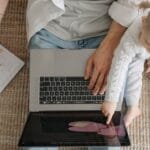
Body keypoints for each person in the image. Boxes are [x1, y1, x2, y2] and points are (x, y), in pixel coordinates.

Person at [0, 0, 149, 150]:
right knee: (41, 125)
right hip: (51, 28)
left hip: (106, 31)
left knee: (106, 131)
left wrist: (110, 46)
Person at [101, 2, 150, 128]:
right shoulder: (133, 34)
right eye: (147, 42)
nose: (148, 49)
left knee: (137, 67)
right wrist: (111, 100)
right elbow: (118, 66)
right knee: (132, 69)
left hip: (139, 51)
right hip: (131, 46)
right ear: (143, 21)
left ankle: (134, 107)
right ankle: (133, 105)